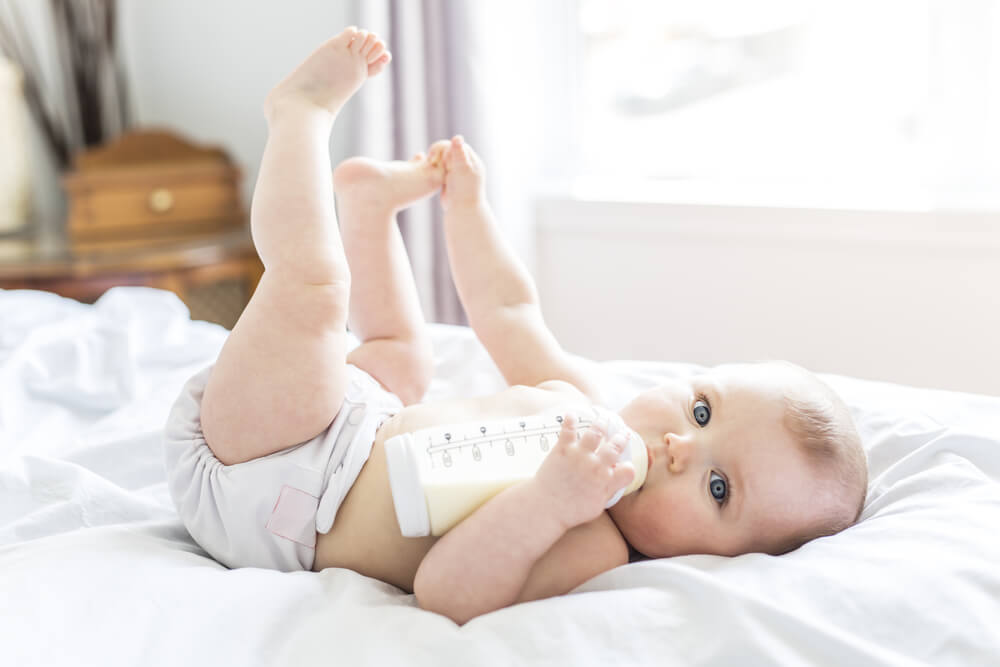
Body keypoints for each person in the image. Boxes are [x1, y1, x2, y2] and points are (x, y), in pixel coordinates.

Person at [163, 27, 868, 625]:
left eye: (718, 487)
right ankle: (370, 210)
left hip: (268, 481)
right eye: (703, 408)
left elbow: (445, 589)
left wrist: (550, 501)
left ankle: (299, 115)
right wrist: (468, 209)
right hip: (349, 418)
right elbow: (507, 311)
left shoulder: (589, 544)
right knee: (406, 361)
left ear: (726, 561)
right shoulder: (586, 399)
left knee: (316, 294)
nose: (682, 445)